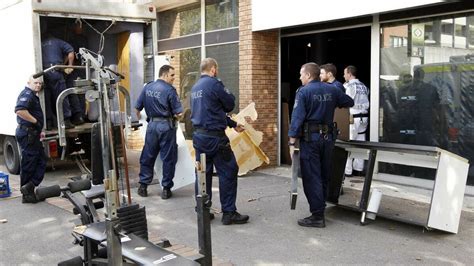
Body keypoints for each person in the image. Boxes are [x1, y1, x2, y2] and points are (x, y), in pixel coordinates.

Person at [288, 63, 354, 228]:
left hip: (311, 140)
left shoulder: (303, 92)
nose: (300, 77)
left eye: (301, 74)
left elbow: (297, 119)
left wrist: (291, 142)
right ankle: (320, 209)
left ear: (309, 76)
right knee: (324, 175)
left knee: (311, 177)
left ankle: (317, 216)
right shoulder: (332, 89)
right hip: (328, 139)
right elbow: (349, 102)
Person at [190, 58, 249, 225]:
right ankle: (229, 212)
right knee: (228, 171)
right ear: (213, 69)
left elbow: (211, 111)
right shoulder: (214, 84)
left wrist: (233, 124)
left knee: (203, 174)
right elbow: (229, 104)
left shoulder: (194, 88)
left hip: (200, 138)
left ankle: (203, 210)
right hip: (215, 139)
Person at [135, 65, 183, 199]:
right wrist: (177, 118)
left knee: (148, 155)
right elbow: (178, 113)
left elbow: (137, 109)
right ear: (165, 74)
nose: (174, 78)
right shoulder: (170, 90)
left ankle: (143, 186)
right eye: (172, 75)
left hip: (152, 126)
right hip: (166, 126)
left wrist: (146, 121)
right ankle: (166, 189)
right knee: (168, 157)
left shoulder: (148, 87)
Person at [15, 76, 47, 204]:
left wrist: (40, 129)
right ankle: (27, 194)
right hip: (28, 134)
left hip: (33, 133)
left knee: (40, 161)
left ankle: (29, 188)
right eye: (35, 83)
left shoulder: (33, 95)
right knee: (29, 163)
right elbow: (20, 110)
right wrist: (35, 121)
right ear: (29, 83)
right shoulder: (27, 94)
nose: (38, 85)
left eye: (40, 83)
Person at [42, 32, 80, 129]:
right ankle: (66, 121)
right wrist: (70, 65)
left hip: (44, 73)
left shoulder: (41, 43)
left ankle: (49, 122)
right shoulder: (58, 42)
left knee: (47, 98)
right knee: (62, 95)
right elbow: (71, 51)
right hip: (55, 72)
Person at [343, 65, 369, 177]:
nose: (344, 76)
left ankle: (347, 171)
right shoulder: (363, 86)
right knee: (360, 142)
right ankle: (358, 168)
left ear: (349, 73)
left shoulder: (348, 85)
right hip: (364, 117)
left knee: (349, 143)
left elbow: (346, 101)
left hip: (353, 117)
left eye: (345, 73)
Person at [66, 20, 89, 121]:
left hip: (76, 69)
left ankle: (78, 115)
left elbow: (69, 53)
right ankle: (81, 115)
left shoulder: (72, 40)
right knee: (81, 92)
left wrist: (66, 65)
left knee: (74, 91)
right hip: (83, 68)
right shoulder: (84, 40)